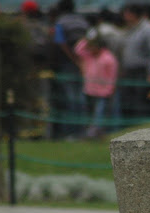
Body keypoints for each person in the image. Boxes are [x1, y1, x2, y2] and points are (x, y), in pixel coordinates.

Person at [51, 0, 89, 138]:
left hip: (67, 64)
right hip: (83, 64)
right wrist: (81, 61)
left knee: (70, 98)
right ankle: (83, 129)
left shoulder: (60, 23)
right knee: (81, 96)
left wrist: (74, 59)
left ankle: (71, 132)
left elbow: (60, 43)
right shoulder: (83, 21)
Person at [119, 3, 150, 118]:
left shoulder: (149, 29)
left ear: (134, 14)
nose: (124, 17)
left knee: (141, 103)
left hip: (142, 71)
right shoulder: (129, 29)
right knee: (128, 102)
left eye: (127, 14)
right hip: (129, 71)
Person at [74, 29, 119, 138]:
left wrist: (109, 90)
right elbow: (78, 50)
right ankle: (88, 133)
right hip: (89, 89)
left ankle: (94, 135)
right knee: (87, 113)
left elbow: (112, 76)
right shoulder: (89, 56)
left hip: (102, 92)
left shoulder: (108, 58)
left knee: (99, 115)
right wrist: (87, 39)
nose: (91, 48)